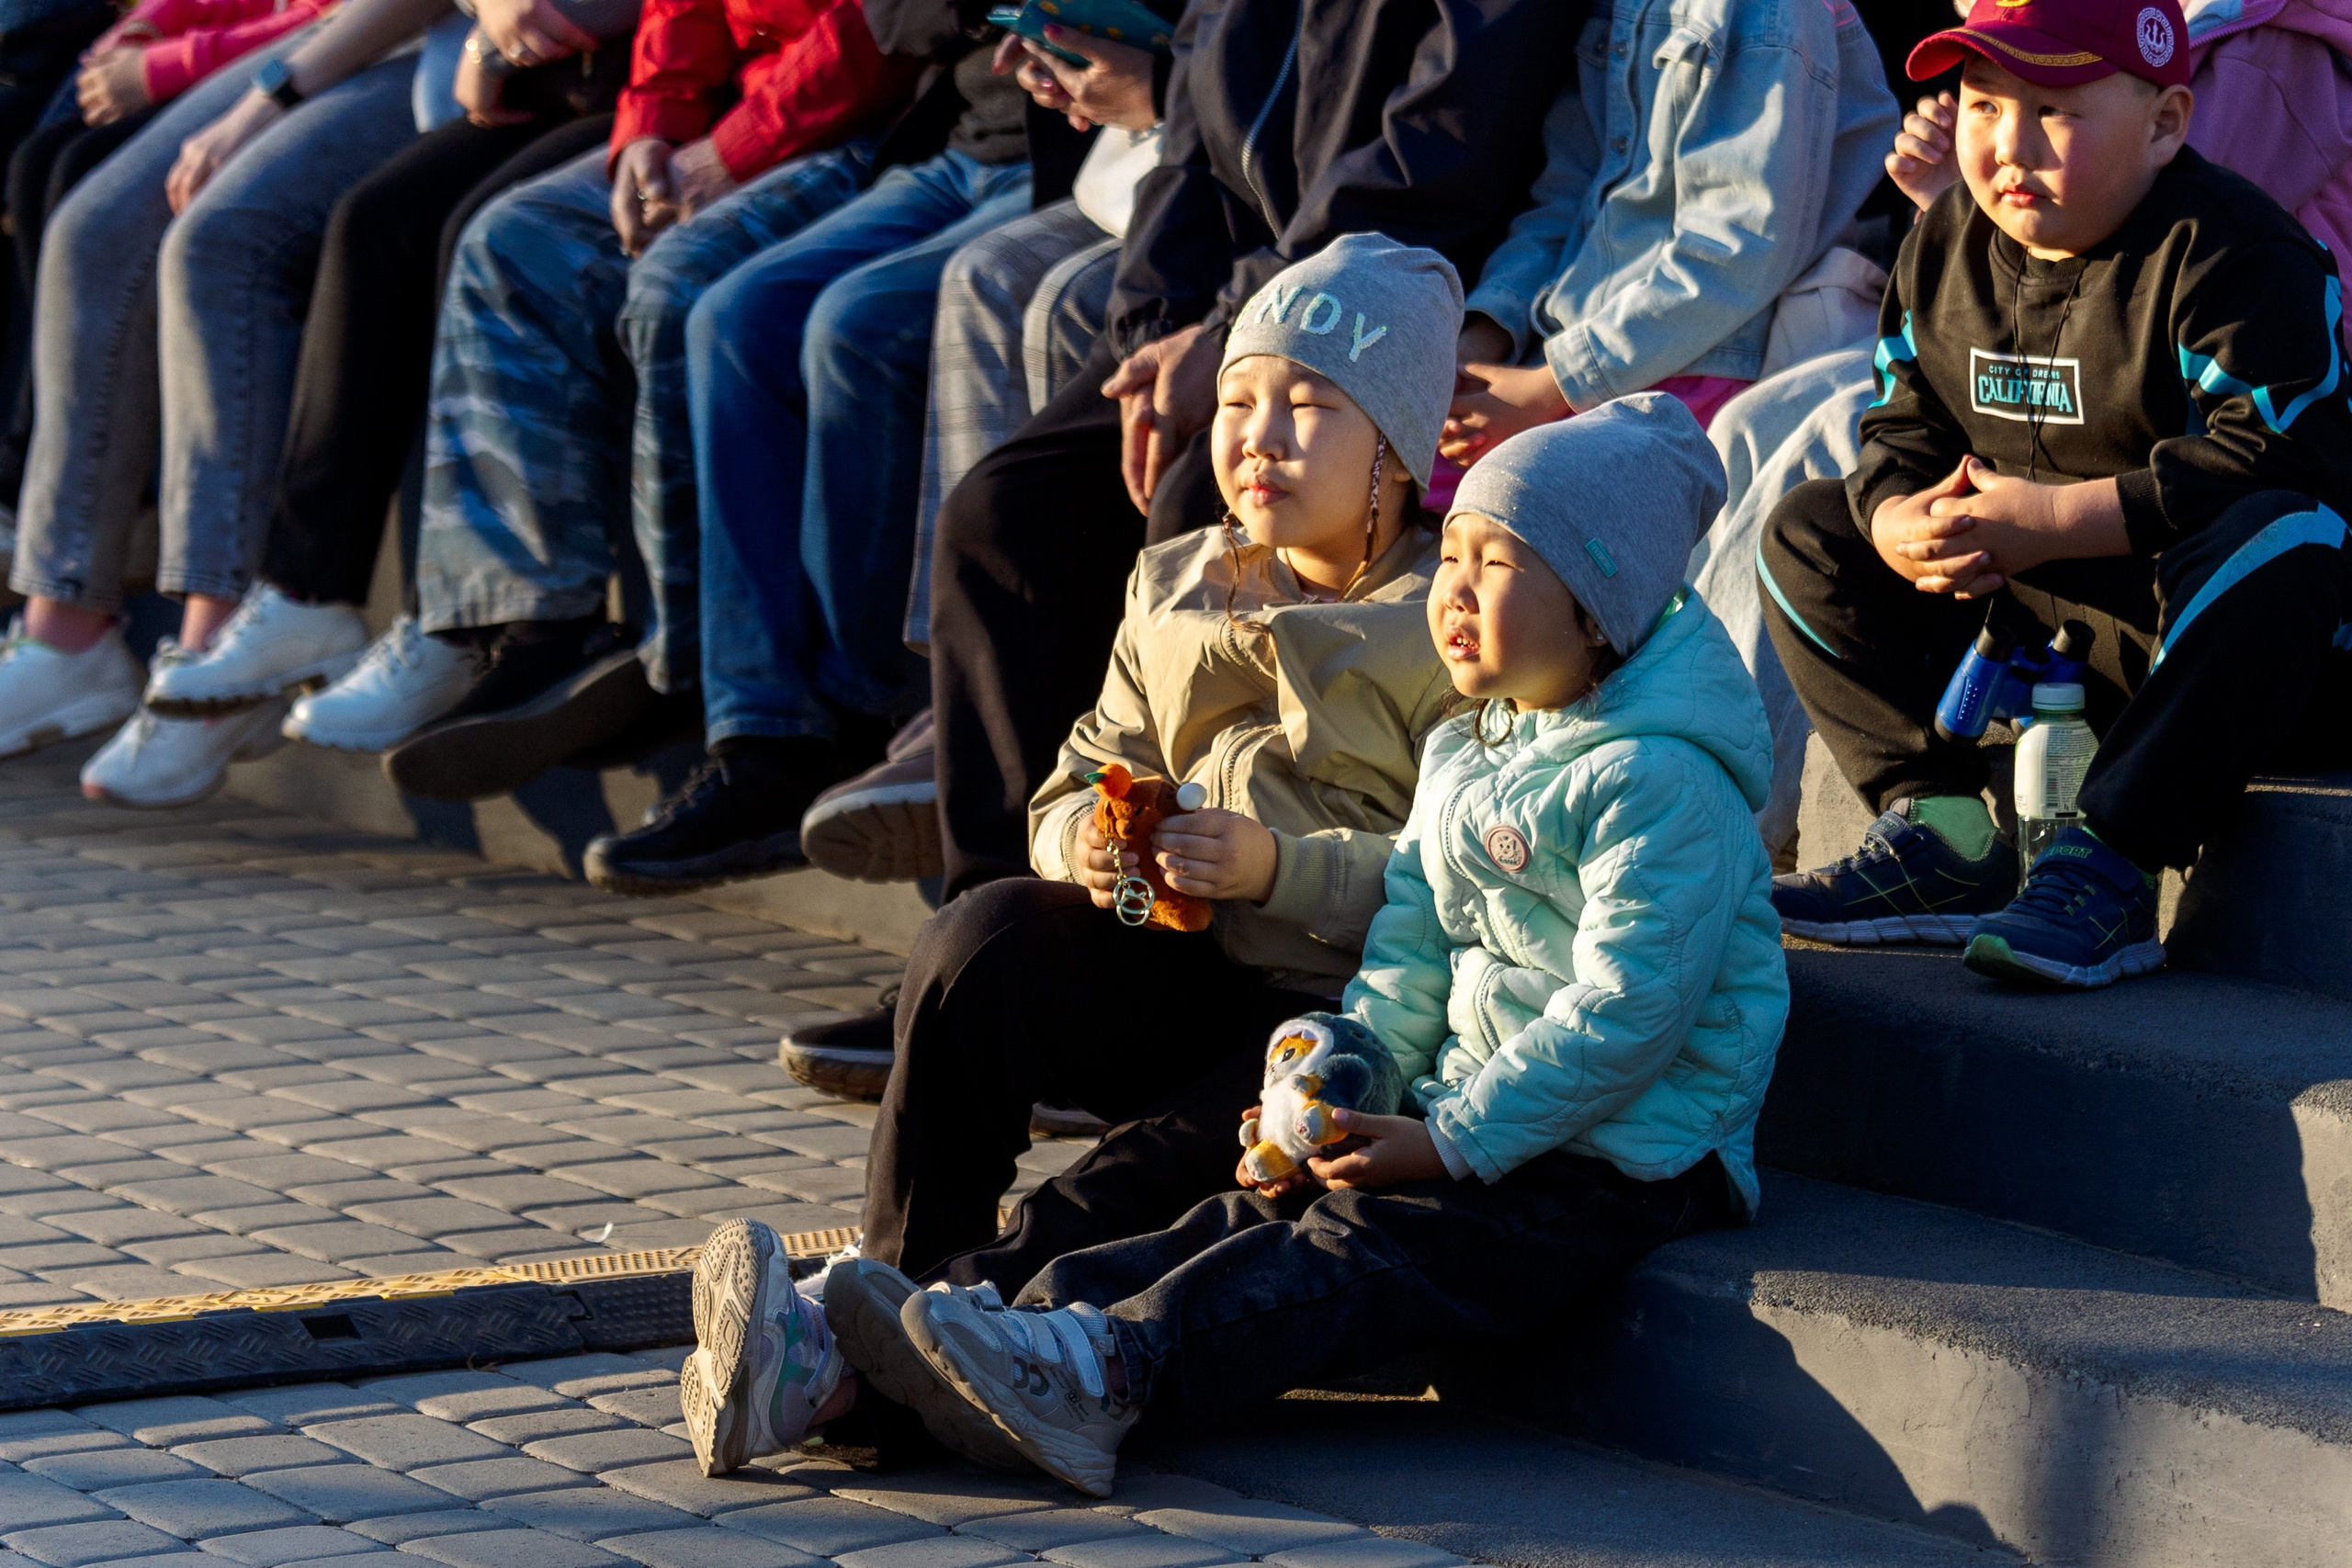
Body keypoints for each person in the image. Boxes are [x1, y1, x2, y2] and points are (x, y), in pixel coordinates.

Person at [808, 394, 1778, 1498]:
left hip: (1623, 1157)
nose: (1452, 591)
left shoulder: (1663, 783)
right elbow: (1413, 946)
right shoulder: (1476, 744)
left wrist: (1448, 1143)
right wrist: (1334, 1064)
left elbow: (1625, 1016)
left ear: (1598, 608)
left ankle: (1101, 1371)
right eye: (1452, 555)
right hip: (1468, 1109)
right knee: (1246, 1201)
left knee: (1344, 1251)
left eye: (1496, 565)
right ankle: (943, 1350)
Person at [678, 235, 1475, 1481]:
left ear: (1398, 448)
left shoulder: (1451, 619)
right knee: (977, 937)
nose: (1256, 433)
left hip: (1344, 1016)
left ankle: (850, 1346)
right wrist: (1096, 843)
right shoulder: (1176, 580)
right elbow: (1074, 772)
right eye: (1243, 397)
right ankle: (890, 1283)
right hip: (1179, 962)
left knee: (1137, 1175)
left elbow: (1463, 876)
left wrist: (1277, 866)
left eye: (1310, 407)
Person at [1762, 0, 2352, 987]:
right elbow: (1901, 424)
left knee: (2284, 533)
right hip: (2031, 624)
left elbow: (2284, 457)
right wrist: (1900, 517)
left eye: (2053, 112)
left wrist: (2058, 521)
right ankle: (1942, 832)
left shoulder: (2236, 251)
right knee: (1811, 531)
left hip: (2222, 647)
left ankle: (2112, 863)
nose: (2006, 145)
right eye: (1983, 105)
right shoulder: (1946, 238)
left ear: (2165, 123)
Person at [266, 0, 913, 784]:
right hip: (732, 103)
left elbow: (883, 22)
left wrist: (731, 151)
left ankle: (687, 666)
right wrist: (653, 126)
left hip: (871, 116)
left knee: (677, 286)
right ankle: (536, 627)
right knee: (515, 240)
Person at [132, 0, 638, 750]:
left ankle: (462, 618)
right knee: (376, 224)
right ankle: (306, 590)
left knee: (483, 235)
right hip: (533, 65)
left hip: (643, 73)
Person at [0, 0, 458, 804]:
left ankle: (214, 658)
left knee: (222, 239)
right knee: (96, 225)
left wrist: (248, 88)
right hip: (320, 33)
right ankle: (65, 633)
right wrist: (158, 20)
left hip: (427, 41)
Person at [797, 25, 1168, 887]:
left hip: (1292, 231)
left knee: (1015, 469)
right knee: (970, 289)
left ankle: (1045, 814)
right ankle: (949, 733)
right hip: (1163, 171)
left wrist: (1173, 85)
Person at [1437, 0, 1899, 476]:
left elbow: (1740, 248)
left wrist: (1553, 386)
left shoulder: (1772, 13)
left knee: (1490, 513)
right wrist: (1481, 339)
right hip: (1572, 354)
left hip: (1699, 372)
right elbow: (1566, 197)